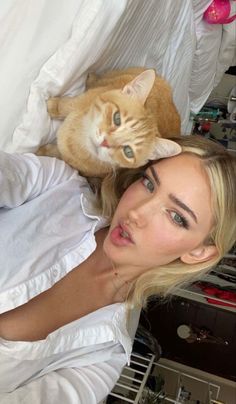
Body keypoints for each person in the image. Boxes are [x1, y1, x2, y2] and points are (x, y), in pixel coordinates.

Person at [0, 135, 235, 403]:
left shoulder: (101, 358)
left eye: (176, 216)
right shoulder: (58, 185)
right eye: (149, 183)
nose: (137, 212)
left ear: (198, 252)